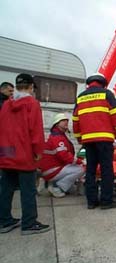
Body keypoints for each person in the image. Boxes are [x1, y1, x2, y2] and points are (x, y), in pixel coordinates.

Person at [0, 73, 50, 235]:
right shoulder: (31, 103)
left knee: (6, 188)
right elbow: (35, 131)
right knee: (28, 189)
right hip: (24, 153)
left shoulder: (7, 104)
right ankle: (29, 223)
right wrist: (38, 152)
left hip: (6, 152)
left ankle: (4, 221)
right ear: (30, 87)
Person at [72, 73, 116, 210]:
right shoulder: (106, 94)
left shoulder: (81, 97)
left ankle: (91, 202)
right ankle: (106, 201)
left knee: (90, 170)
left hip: (88, 141)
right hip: (104, 139)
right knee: (106, 170)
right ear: (103, 84)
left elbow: (76, 120)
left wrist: (79, 138)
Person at [39, 113, 85, 198]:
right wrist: (80, 161)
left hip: (51, 169)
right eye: (63, 121)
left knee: (77, 168)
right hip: (52, 170)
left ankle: (57, 184)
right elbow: (64, 155)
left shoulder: (58, 136)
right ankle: (57, 187)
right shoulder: (58, 138)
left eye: (66, 121)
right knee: (81, 169)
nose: (66, 122)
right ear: (56, 124)